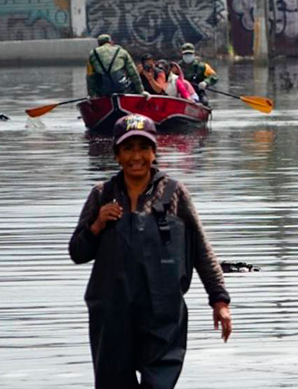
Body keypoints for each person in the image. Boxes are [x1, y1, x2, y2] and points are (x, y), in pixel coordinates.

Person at [68, 113, 232, 389]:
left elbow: (201, 249)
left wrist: (220, 301)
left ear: (154, 152)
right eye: (128, 148)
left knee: (159, 384)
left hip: (162, 312)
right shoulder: (101, 195)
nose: (136, 156)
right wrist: (97, 224)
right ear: (117, 155)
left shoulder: (175, 193)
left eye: (143, 147)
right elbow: (77, 253)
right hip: (111, 312)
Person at [87, 34, 144, 98]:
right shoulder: (122, 52)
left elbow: (90, 77)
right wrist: (141, 91)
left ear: (98, 44)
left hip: (103, 90)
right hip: (121, 88)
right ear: (111, 42)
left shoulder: (92, 54)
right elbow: (133, 73)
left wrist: (91, 95)